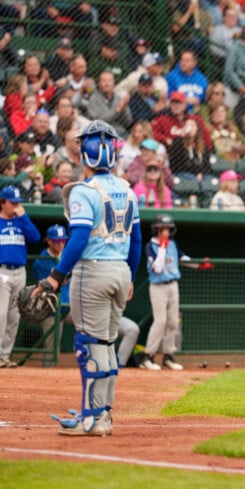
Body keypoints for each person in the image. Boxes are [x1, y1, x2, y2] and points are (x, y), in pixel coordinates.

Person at [41, 120, 142, 436]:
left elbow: (80, 237)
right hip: (120, 271)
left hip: (93, 271)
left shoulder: (83, 192)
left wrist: (57, 276)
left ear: (84, 154)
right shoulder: (127, 189)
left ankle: (91, 419)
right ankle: (104, 414)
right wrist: (131, 278)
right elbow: (136, 241)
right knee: (107, 344)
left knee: (89, 345)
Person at [0, 186, 41, 368]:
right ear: (3, 203)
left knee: (14, 316)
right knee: (0, 314)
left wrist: (23, 217)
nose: (16, 206)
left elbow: (35, 237)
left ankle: (5, 355)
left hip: (20, 271)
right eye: (13, 202)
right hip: (2, 271)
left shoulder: (21, 221)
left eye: (18, 203)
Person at [142, 214, 186, 372]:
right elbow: (158, 268)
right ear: (156, 230)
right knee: (160, 321)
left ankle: (168, 355)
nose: (165, 232)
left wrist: (200, 265)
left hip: (173, 285)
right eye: (162, 229)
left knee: (173, 322)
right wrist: (161, 248)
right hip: (158, 287)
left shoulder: (173, 244)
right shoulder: (150, 246)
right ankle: (148, 356)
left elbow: (183, 259)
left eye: (168, 229)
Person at [32, 225, 70, 352]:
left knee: (89, 325)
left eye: (63, 240)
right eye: (56, 241)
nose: (60, 244)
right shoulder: (41, 261)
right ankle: (49, 372)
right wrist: (59, 280)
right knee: (51, 350)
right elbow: (47, 287)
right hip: (52, 309)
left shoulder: (69, 255)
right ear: (48, 241)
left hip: (70, 306)